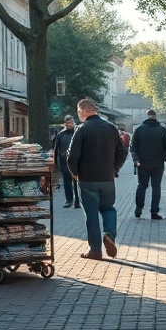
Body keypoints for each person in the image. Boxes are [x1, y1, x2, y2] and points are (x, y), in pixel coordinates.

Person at [67, 98, 127, 260]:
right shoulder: (111, 128)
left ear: (85, 110)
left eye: (79, 112)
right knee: (108, 208)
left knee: (91, 214)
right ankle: (110, 235)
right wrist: (114, 168)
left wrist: (75, 173)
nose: (78, 115)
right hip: (107, 178)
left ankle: (95, 250)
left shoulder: (82, 130)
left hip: (87, 179)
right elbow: (122, 152)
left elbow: (72, 157)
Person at [130, 109, 166, 219]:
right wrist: (163, 158)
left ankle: (138, 209)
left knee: (142, 186)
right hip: (158, 164)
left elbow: (133, 147)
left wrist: (136, 159)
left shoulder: (139, 130)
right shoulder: (162, 130)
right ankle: (154, 212)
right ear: (155, 116)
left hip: (142, 163)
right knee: (156, 187)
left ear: (147, 116)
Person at [51, 115, 80, 208]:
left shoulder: (78, 132)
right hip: (64, 162)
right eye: (68, 123)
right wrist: (55, 163)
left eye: (71, 122)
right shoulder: (61, 134)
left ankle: (78, 201)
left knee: (77, 182)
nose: (70, 124)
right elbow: (56, 149)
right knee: (67, 182)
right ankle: (69, 200)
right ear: (65, 124)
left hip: (77, 161)